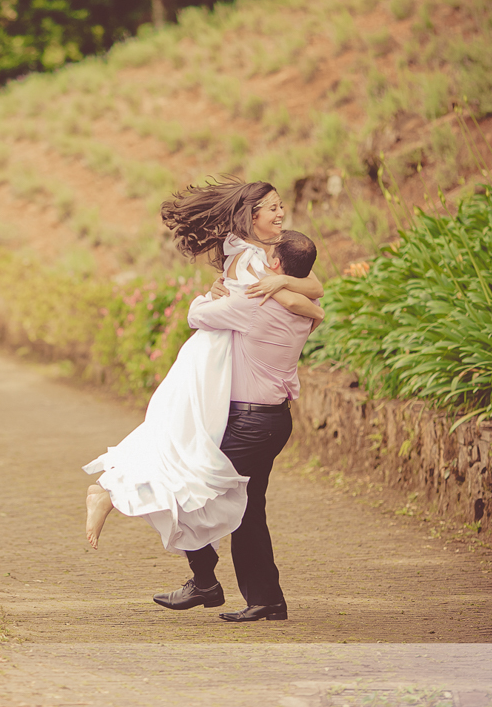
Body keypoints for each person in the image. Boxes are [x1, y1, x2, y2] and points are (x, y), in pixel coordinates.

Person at [82, 181, 323, 557]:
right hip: (225, 365)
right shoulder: (250, 254)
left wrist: (270, 286)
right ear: (252, 216)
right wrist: (289, 294)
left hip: (228, 366)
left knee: (189, 469)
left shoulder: (265, 258)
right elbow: (307, 297)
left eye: (280, 206)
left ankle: (113, 494)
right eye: (273, 207)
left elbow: (306, 289)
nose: (281, 213)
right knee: (190, 462)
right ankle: (116, 497)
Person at [150, 226, 321, 623]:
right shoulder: (304, 308)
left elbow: (196, 316)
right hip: (275, 421)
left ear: (274, 263)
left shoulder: (252, 304)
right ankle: (267, 599)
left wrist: (212, 294)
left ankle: (204, 581)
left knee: (186, 488)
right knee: (249, 510)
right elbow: (315, 304)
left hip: (249, 423)